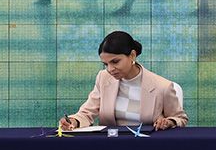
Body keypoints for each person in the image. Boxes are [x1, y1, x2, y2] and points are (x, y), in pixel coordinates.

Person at [60, 31, 188, 131]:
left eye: (115, 62)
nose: (110, 69)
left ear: (132, 55)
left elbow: (180, 118)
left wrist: (169, 122)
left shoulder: (162, 86)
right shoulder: (103, 78)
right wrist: (73, 121)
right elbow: (87, 113)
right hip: (110, 146)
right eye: (105, 64)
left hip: (147, 146)